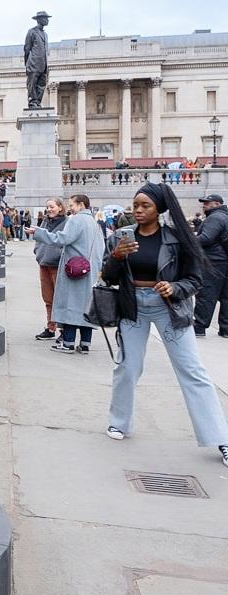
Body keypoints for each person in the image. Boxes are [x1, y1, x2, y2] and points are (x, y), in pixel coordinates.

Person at [101, 183, 228, 466]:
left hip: (168, 309)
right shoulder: (122, 236)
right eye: (135, 205)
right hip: (133, 306)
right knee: (127, 367)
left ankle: (222, 438)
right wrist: (116, 256)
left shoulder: (177, 239)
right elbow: (108, 276)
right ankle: (119, 422)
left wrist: (174, 287)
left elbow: (195, 280)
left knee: (192, 371)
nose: (138, 210)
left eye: (145, 205)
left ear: (159, 208)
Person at [26, 194, 104, 352]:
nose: (70, 208)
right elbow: (101, 247)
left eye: (72, 205)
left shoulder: (76, 220)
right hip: (89, 270)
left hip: (74, 270)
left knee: (70, 305)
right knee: (85, 307)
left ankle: (68, 343)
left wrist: (39, 233)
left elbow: (61, 239)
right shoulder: (94, 223)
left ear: (81, 205)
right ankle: (85, 344)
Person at [193, 194, 228, 337]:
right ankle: (225, 329)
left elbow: (206, 238)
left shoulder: (215, 218)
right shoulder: (224, 216)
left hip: (214, 261)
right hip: (224, 260)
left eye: (207, 203)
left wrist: (189, 239)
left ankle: (199, 327)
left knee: (207, 294)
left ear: (217, 204)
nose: (204, 205)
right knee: (226, 297)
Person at [33, 197, 68, 340]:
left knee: (60, 299)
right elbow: (39, 239)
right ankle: (50, 327)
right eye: (47, 207)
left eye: (52, 206)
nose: (49, 209)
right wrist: (38, 252)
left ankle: (64, 330)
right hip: (44, 264)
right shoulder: (45, 221)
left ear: (60, 207)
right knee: (48, 299)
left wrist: (58, 255)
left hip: (57, 265)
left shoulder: (67, 222)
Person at [24, 11, 50, 108]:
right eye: (45, 18)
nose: (47, 20)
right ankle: (32, 102)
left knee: (41, 85)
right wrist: (27, 63)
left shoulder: (45, 35)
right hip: (33, 63)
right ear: (39, 19)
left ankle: (37, 102)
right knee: (32, 84)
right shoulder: (32, 32)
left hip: (43, 64)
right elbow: (27, 48)